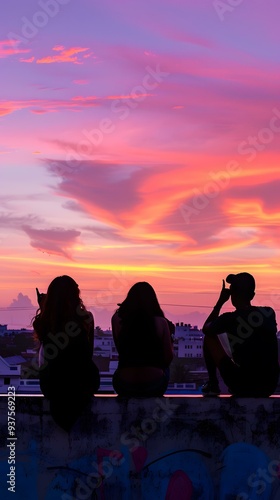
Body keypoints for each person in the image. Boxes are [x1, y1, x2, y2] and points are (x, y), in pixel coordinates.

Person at [33, 275, 100, 429]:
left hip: (54, 386)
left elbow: (46, 355)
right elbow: (87, 355)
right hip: (81, 384)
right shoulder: (86, 319)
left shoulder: (43, 322)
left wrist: (44, 309)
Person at [202, 273, 279, 397]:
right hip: (269, 386)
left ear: (231, 295)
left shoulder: (229, 319)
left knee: (209, 338)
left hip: (243, 386)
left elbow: (206, 329)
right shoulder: (269, 313)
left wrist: (220, 302)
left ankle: (213, 385)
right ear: (253, 295)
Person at [111, 282, 174, 397]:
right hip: (154, 385)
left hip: (124, 384)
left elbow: (120, 350)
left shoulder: (117, 319)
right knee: (165, 368)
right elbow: (168, 358)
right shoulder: (161, 322)